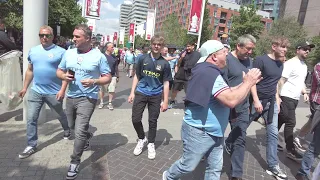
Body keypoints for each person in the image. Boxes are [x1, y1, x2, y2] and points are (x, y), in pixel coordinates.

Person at [162, 40, 262, 180]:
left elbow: (226, 92)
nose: (227, 55)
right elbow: (231, 100)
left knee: (215, 168)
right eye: (223, 53)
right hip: (200, 131)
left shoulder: (209, 71)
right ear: (214, 56)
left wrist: (244, 84)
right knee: (188, 165)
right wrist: (248, 83)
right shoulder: (210, 74)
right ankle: (168, 176)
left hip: (214, 131)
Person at [56, 24, 111, 180]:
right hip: (71, 97)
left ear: (87, 38)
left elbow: (107, 77)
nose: (73, 39)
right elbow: (60, 71)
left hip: (88, 98)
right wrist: (63, 79)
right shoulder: (69, 53)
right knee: (72, 126)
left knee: (79, 131)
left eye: (77, 36)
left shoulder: (98, 56)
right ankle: (86, 136)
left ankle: (75, 162)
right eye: (73, 36)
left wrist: (94, 81)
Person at [17, 25, 70, 159]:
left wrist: (63, 89)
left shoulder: (61, 52)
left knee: (59, 114)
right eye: (41, 35)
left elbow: (66, 73)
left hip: (54, 92)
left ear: (53, 37)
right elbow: (30, 70)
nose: (44, 38)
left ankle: (67, 129)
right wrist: (24, 88)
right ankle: (31, 145)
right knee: (31, 118)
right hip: (36, 91)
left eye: (47, 35)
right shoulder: (33, 51)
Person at [250, 37, 289, 180]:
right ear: (274, 47)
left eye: (286, 48)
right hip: (257, 101)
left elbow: (274, 83)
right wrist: (255, 100)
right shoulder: (260, 60)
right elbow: (252, 81)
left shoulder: (281, 64)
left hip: (271, 103)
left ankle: (273, 166)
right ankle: (229, 144)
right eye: (282, 47)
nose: (285, 50)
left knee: (272, 134)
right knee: (241, 126)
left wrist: (277, 98)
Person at [128, 35, 172, 160]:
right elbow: (137, 76)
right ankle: (142, 138)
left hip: (155, 95)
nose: (157, 46)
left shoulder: (165, 63)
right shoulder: (142, 58)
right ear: (151, 44)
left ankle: (151, 143)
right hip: (141, 92)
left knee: (152, 121)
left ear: (162, 47)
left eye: (159, 44)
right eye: (154, 44)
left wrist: (165, 101)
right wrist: (132, 92)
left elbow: (166, 83)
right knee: (135, 119)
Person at [223, 34, 256, 180]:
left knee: (240, 139)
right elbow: (220, 84)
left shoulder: (250, 62)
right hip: (224, 106)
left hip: (242, 107)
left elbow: (251, 83)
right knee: (214, 136)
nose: (250, 52)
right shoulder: (226, 60)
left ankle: (236, 174)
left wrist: (255, 100)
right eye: (248, 49)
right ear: (238, 46)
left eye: (251, 49)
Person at [277, 42, 314, 161]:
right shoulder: (290, 63)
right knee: (291, 122)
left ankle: (270, 139)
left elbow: (301, 81)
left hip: (295, 98)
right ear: (298, 50)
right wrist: (278, 96)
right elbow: (281, 80)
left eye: (309, 49)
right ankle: (290, 149)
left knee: (281, 120)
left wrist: (304, 92)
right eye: (304, 49)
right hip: (286, 96)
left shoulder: (304, 65)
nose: (307, 51)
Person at [295, 59, 320, 153]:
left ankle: (300, 136)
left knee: (312, 121)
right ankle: (305, 140)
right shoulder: (318, 66)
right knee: (315, 121)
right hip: (316, 100)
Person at [169, 42, 201, 108]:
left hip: (190, 74)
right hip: (181, 73)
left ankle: (188, 103)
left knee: (188, 90)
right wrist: (181, 57)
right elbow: (178, 63)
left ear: (193, 46)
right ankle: (172, 101)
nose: (187, 48)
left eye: (189, 46)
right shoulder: (183, 53)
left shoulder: (198, 54)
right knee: (175, 89)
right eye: (186, 46)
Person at [98, 42, 119, 110]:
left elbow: (116, 67)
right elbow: (98, 66)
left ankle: (110, 103)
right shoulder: (102, 56)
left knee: (111, 89)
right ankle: (101, 102)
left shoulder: (114, 57)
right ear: (107, 48)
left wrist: (117, 76)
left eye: (113, 47)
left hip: (112, 76)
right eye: (112, 47)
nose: (113, 48)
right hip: (103, 76)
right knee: (102, 90)